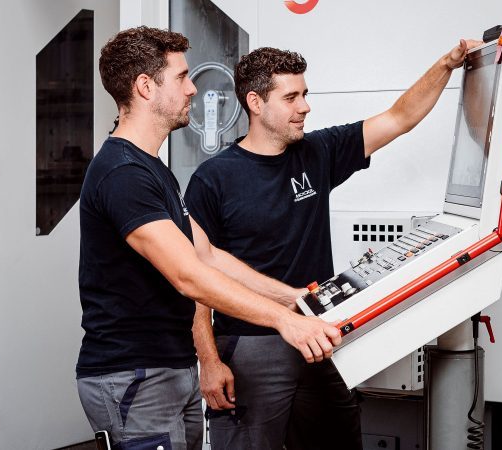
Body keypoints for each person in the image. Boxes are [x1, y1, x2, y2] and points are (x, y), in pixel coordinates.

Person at [185, 39, 483, 450]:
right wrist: (209, 361)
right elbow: (196, 278)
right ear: (255, 102)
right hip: (250, 346)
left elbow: (400, 118)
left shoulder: (317, 153)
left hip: (318, 336)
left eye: (304, 95)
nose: (304, 106)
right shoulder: (213, 179)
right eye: (291, 97)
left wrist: (446, 64)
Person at [75, 27, 341, 450]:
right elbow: (189, 276)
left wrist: (294, 299)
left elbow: (209, 255)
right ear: (146, 86)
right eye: (181, 77)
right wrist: (284, 320)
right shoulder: (122, 174)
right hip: (134, 374)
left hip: (168, 366)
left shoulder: (151, 169)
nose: (193, 89)